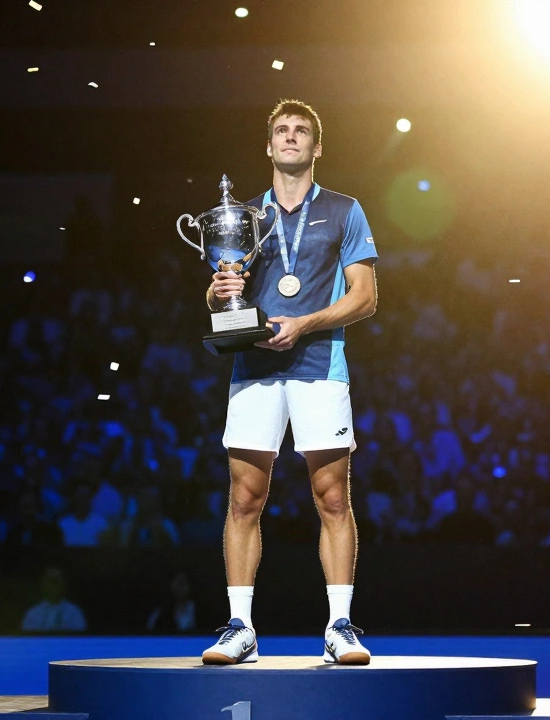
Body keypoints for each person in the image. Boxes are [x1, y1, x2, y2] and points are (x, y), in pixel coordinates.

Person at [202, 99, 378, 666]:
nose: (291, 137)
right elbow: (219, 293)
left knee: (331, 497)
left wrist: (305, 323)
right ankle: (239, 628)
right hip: (253, 368)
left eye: (302, 131)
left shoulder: (346, 211)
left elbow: (365, 297)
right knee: (245, 498)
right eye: (282, 130)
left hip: (319, 366)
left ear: (316, 146)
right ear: (269, 145)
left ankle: (340, 626)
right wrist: (217, 295)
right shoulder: (242, 217)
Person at [21, 567, 87, 633]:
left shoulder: (74, 613)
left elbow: (81, 639)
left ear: (63, 584)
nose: (53, 585)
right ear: (43, 584)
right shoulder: (33, 613)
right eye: (50, 581)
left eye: (56, 581)